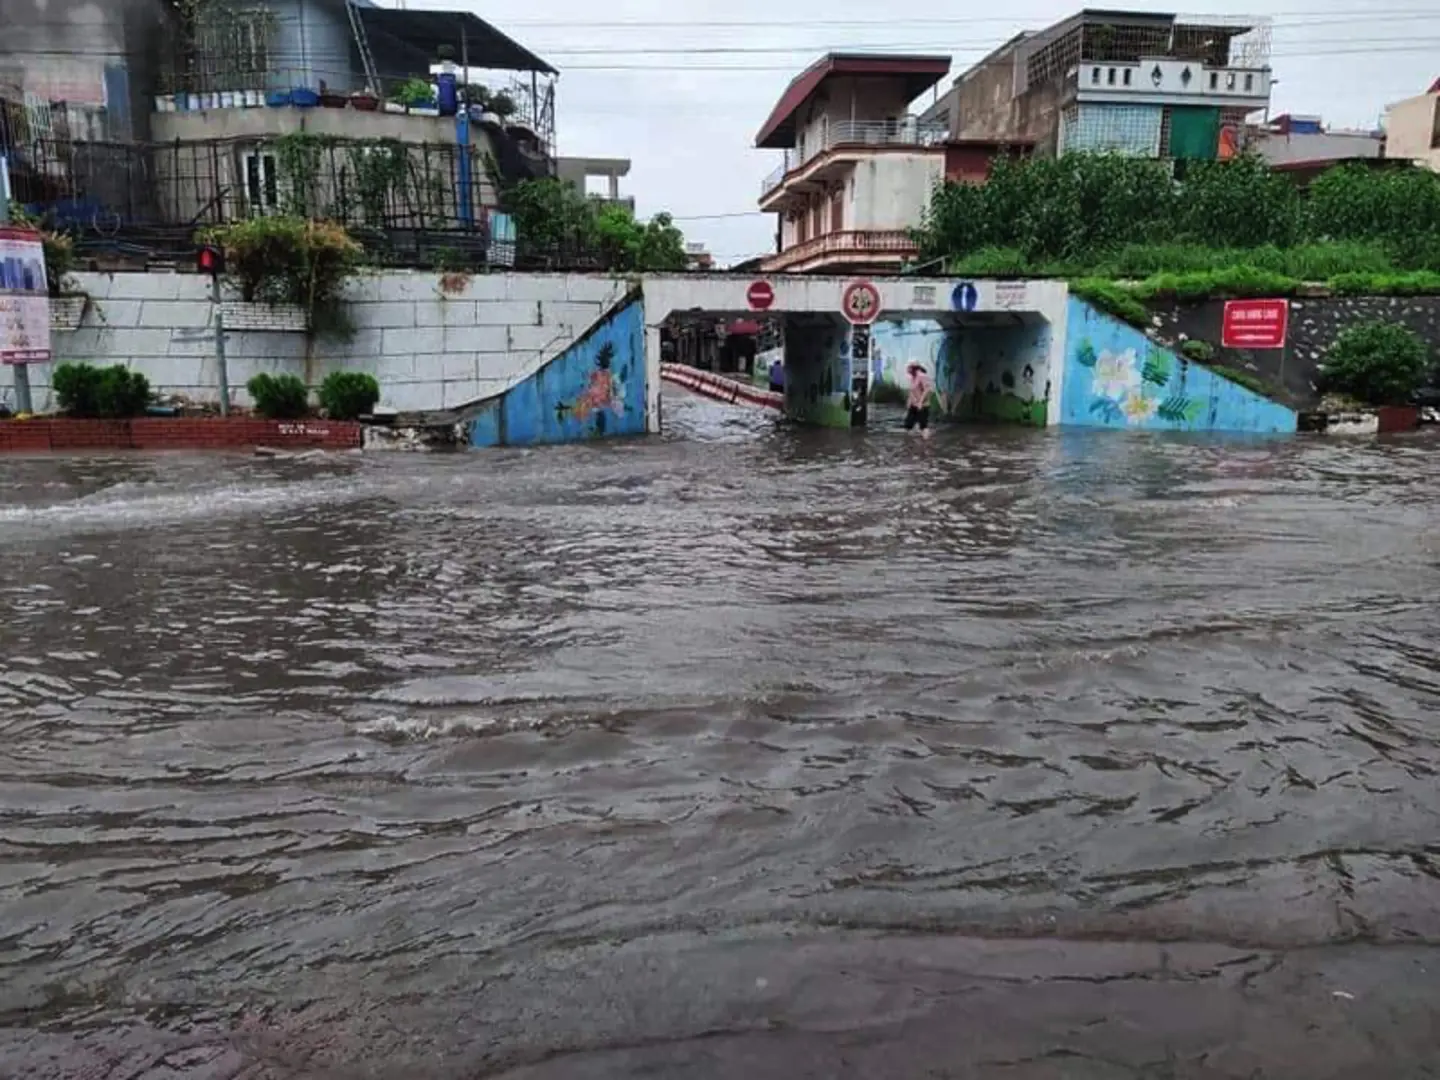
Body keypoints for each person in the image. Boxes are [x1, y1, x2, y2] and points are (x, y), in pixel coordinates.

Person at [905, 362, 934, 436]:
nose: (907, 369)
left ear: (914, 368)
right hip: (914, 404)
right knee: (908, 424)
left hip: (923, 405)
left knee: (923, 425)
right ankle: (910, 442)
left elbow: (927, 390)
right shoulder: (912, 377)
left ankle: (926, 442)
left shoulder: (922, 376)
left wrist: (920, 402)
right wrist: (909, 401)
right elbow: (911, 390)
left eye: (909, 367)